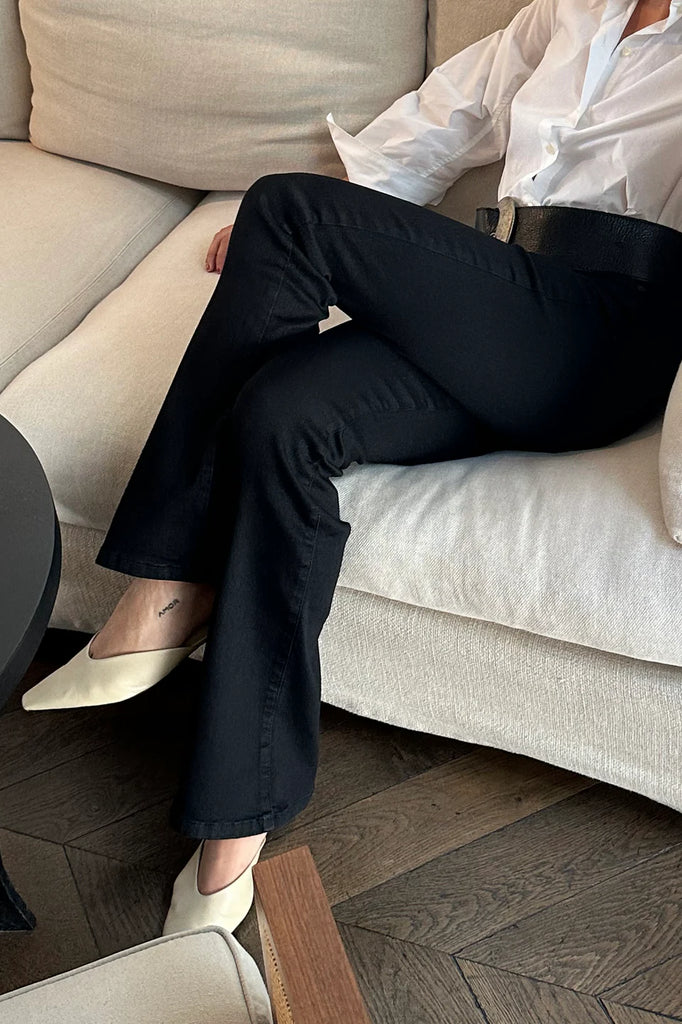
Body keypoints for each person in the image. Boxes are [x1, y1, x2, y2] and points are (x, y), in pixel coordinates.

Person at [21, 0, 682, 937]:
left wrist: (300, 231)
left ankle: (169, 580)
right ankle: (236, 822)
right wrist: (297, 246)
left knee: (287, 207)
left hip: (606, 336)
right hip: (496, 303)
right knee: (281, 414)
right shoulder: (572, 11)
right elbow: (452, 111)